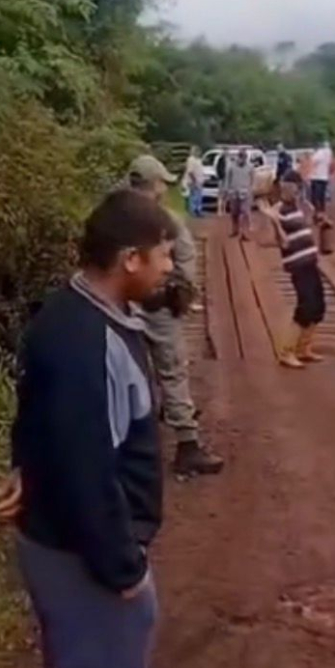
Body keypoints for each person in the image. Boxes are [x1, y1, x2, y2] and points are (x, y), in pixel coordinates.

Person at [10, 188, 175, 668]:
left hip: (51, 537)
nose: (170, 265)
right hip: (83, 552)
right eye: (164, 252)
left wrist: (20, 467)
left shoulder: (72, 309)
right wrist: (123, 568)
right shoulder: (92, 343)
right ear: (129, 257)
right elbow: (87, 471)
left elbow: (35, 413)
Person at [128, 155, 224, 477]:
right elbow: (185, 261)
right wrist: (181, 293)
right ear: (154, 185)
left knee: (126, 371)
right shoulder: (166, 220)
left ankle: (127, 443)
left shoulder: (115, 217)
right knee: (172, 370)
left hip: (120, 305)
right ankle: (187, 443)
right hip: (158, 304)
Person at [265, 169, 326, 368]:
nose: (289, 191)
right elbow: (282, 243)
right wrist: (275, 223)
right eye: (286, 187)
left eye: (293, 187)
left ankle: (304, 348)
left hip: (310, 260)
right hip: (297, 264)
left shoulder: (299, 206)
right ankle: (286, 351)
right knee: (305, 305)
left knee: (318, 305)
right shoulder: (278, 210)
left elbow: (307, 224)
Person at [226, 148, 255, 240]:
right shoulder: (231, 167)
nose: (242, 159)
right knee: (234, 213)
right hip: (234, 192)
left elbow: (252, 179)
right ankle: (235, 230)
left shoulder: (250, 167)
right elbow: (228, 179)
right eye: (241, 157)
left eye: (244, 157)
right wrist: (228, 190)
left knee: (245, 212)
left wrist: (251, 190)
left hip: (245, 193)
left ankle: (244, 233)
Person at [309, 139, 333, 214]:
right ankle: (322, 210)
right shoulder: (329, 153)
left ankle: (316, 211)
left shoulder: (319, 153)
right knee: (321, 196)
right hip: (324, 177)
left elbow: (312, 161)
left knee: (315, 196)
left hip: (316, 177)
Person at [183, 146, 205, 218]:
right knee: (194, 196)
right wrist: (194, 180)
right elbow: (190, 172)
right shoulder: (191, 160)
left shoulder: (198, 160)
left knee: (198, 197)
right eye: (197, 151)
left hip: (199, 181)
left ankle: (198, 210)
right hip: (193, 181)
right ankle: (193, 211)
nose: (198, 153)